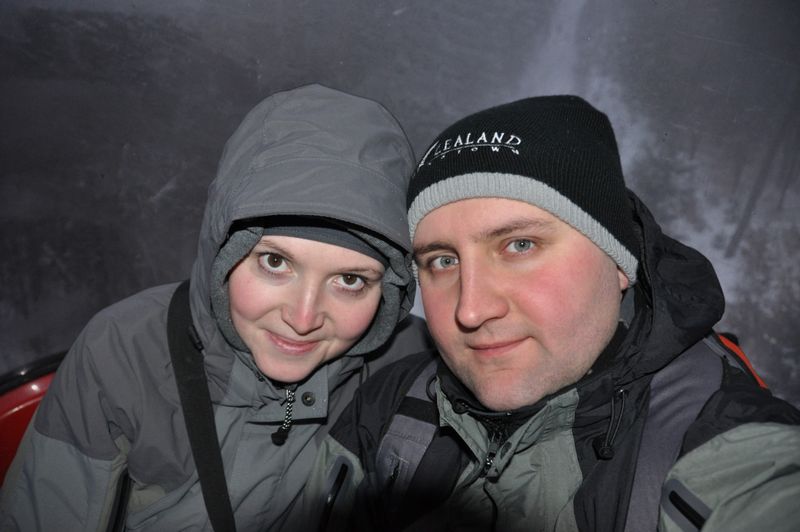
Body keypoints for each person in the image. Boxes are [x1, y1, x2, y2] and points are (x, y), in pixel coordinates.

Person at [301, 95, 800, 531]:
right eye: (443, 261)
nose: (471, 309)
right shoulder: (392, 404)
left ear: (619, 262)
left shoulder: (722, 448)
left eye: (520, 245)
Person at [0, 83, 433, 531]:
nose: (303, 319)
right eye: (275, 262)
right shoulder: (122, 354)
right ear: (223, 250)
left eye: (350, 280)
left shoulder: (415, 371)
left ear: (390, 290)